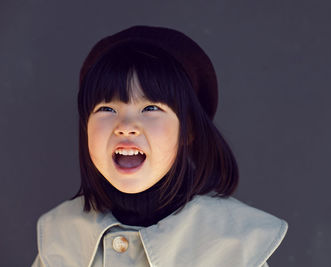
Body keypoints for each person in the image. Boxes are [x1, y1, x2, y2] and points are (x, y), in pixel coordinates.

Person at [32, 25, 287, 267]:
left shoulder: (233, 248)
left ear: (189, 130)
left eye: (150, 108)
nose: (126, 125)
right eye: (107, 109)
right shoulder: (60, 240)